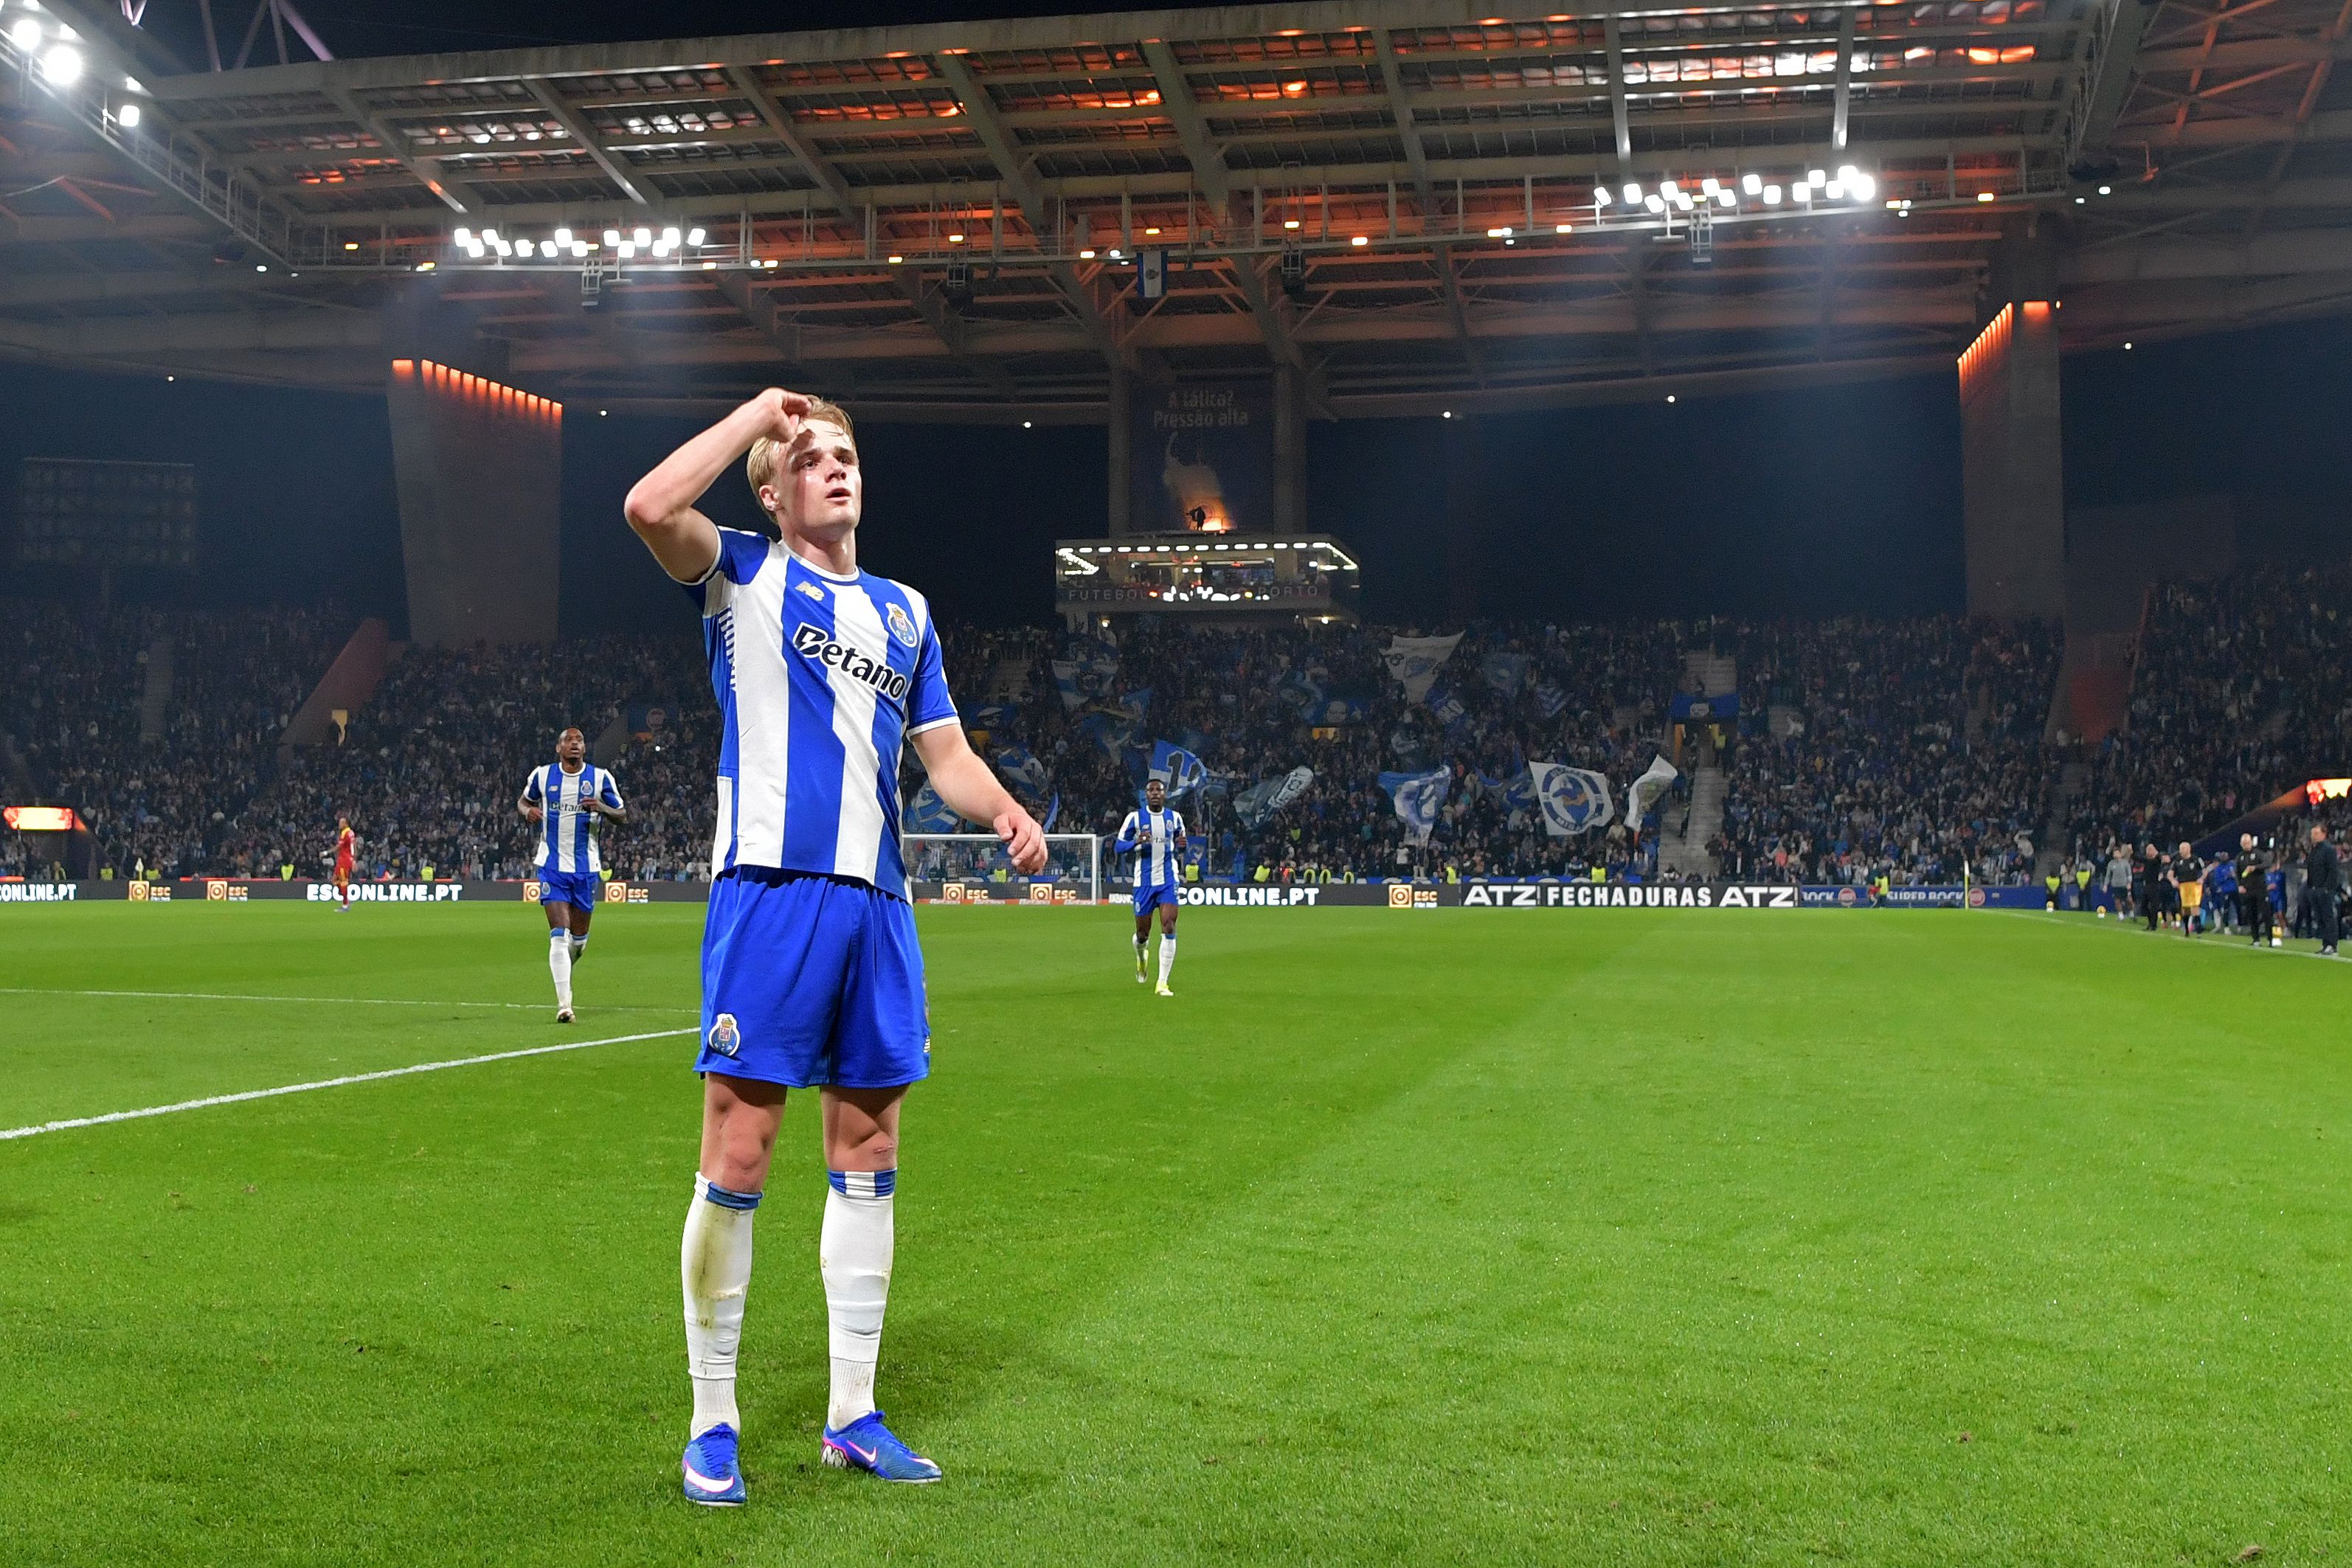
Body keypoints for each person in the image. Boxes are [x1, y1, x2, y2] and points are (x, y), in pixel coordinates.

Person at [623, 387, 1046, 1507]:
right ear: (771, 489)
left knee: (869, 1150)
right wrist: (757, 411)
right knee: (742, 1150)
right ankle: (712, 1421)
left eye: (846, 453)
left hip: (878, 905)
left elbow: (944, 753)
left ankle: (852, 1415)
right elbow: (647, 501)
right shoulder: (744, 574)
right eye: (810, 457)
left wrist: (1003, 809)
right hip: (771, 893)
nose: (836, 467)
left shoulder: (907, 612)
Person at [519, 726, 627, 1024]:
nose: (575, 744)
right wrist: (526, 812)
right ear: (559, 748)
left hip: (586, 870)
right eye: (569, 740)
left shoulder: (600, 778)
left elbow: (623, 816)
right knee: (559, 933)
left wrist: (602, 807)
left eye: (580, 740)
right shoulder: (541, 776)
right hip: (552, 868)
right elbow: (524, 801)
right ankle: (564, 1005)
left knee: (577, 943)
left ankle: (567, 965)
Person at [1116, 777, 1186, 996]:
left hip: (1168, 880)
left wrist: (1183, 846)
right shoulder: (1135, 818)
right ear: (1146, 795)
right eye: (1151, 790)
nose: (1155, 793)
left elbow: (1180, 845)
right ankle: (1141, 954)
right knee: (1142, 934)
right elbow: (1118, 847)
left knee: (1169, 926)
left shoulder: (1175, 818)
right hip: (1143, 883)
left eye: (1159, 790)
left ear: (1165, 795)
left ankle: (1162, 983)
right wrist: (1136, 842)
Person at [2308, 823, 2341, 957]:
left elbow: (2333, 870)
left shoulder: (2328, 850)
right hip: (2315, 889)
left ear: (2323, 834)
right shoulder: (2314, 850)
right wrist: (2310, 886)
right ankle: (2325, 944)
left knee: (2328, 917)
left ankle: (2332, 945)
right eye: (2312, 834)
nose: (2313, 836)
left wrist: (2327, 888)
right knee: (2320, 918)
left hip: (2325, 890)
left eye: (2316, 834)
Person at [2235, 833, 2273, 948]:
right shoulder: (2240, 857)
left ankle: (2271, 939)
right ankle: (2256, 939)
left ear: (2251, 842)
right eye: (2244, 843)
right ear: (2241, 844)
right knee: (2252, 915)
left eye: (2247, 842)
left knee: (2266, 914)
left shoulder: (2258, 854)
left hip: (2260, 889)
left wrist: (2255, 867)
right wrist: (2239, 885)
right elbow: (2237, 874)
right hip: (2248, 890)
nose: (2246, 844)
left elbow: (2268, 863)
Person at [2170, 842, 2203, 937]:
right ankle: (2187, 929)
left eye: (2184, 848)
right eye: (2181, 849)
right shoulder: (2177, 861)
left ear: (2189, 849)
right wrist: (2173, 880)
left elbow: (2204, 870)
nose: (2182, 850)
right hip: (2183, 886)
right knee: (2185, 909)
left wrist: (2202, 878)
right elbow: (2170, 873)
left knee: (2195, 906)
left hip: (2194, 885)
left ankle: (2198, 928)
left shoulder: (2196, 859)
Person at [332, 816, 356, 912]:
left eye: (341, 823)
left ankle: (345, 905)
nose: (339, 824)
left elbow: (339, 847)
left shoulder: (345, 833)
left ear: (345, 823)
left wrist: (326, 852)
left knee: (344, 882)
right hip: (342, 860)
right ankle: (346, 899)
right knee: (335, 881)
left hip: (344, 862)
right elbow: (353, 846)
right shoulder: (350, 833)